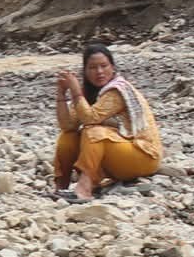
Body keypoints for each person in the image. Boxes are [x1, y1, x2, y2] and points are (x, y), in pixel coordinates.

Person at [53, 44, 162, 200]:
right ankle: (60, 187)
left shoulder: (117, 91)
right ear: (85, 71)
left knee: (94, 132)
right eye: (92, 68)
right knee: (68, 137)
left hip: (143, 156)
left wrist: (75, 92)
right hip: (118, 155)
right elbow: (67, 125)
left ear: (113, 67)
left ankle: (84, 188)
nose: (99, 72)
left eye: (104, 66)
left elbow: (90, 118)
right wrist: (62, 93)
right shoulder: (89, 94)